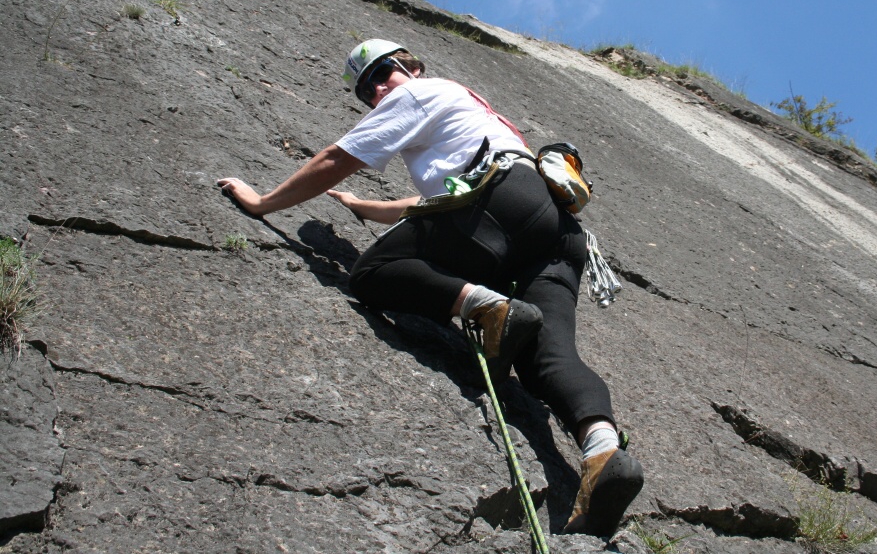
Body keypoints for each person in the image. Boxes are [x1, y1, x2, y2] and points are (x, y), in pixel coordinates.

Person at [217, 39, 643, 537]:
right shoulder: (476, 114)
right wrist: (362, 207)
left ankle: (484, 307)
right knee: (547, 359)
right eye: (365, 89)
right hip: (552, 229)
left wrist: (261, 203)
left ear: (411, 66)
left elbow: (339, 156)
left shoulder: (418, 94)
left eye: (382, 72)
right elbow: (444, 200)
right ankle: (603, 452)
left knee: (373, 271)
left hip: (497, 206)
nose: (376, 89)